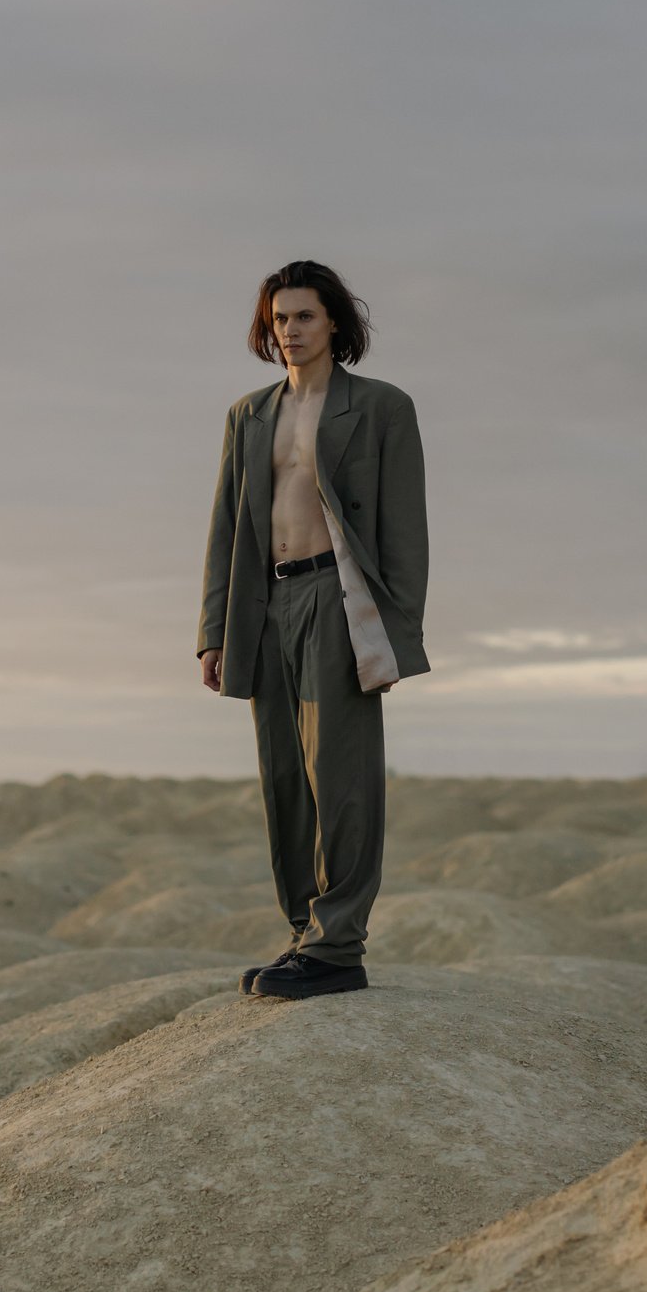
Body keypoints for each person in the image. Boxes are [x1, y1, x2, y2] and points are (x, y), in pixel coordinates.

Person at [197, 260, 429, 1000]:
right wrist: (214, 630)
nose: (289, 330)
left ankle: (339, 946)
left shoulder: (383, 407)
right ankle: (305, 933)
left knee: (343, 777)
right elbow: (228, 526)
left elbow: (405, 531)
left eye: (303, 316)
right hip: (266, 605)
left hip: (340, 596)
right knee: (284, 782)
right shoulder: (249, 414)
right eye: (279, 318)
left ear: (335, 322)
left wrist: (395, 631)